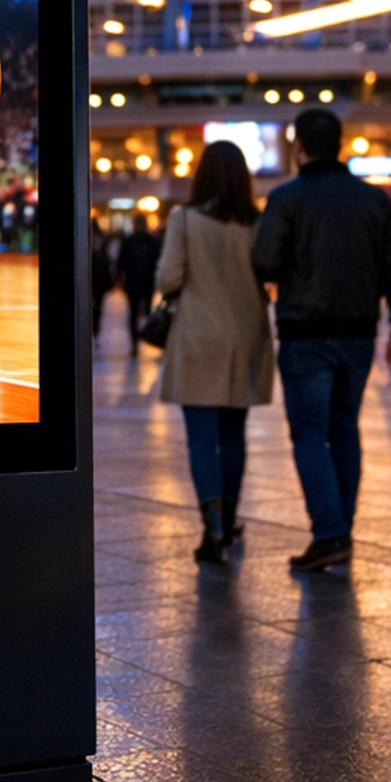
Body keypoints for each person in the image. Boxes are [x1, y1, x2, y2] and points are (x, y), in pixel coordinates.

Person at [252, 107, 391, 573]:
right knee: (345, 427)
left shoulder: (287, 198)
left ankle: (329, 533)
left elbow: (263, 260)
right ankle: (343, 526)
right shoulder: (373, 201)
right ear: (341, 145)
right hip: (359, 333)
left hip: (305, 334)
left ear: (298, 146)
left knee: (308, 432)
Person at [155, 143, 274, 563]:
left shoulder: (184, 220)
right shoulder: (257, 223)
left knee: (202, 438)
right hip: (247, 337)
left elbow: (168, 279)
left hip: (197, 337)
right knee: (233, 435)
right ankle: (232, 514)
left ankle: (213, 524)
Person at [117, 214, 162, 354]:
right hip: (148, 282)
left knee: (133, 313)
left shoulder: (128, 241)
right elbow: (157, 261)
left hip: (132, 282)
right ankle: (147, 338)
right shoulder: (152, 241)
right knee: (148, 311)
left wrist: (120, 279)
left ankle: (135, 344)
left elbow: (121, 262)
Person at [90, 214, 114, 343]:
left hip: (92, 278)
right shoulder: (103, 240)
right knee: (98, 307)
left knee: (90, 306)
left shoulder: (85, 241)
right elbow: (108, 260)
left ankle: (92, 332)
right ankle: (95, 332)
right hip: (100, 278)